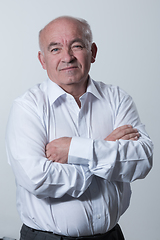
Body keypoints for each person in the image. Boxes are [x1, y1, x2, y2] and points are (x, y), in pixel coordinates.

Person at [5, 16, 153, 240]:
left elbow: (141, 160)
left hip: (110, 236)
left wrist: (74, 150)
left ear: (92, 51)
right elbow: (38, 178)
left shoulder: (117, 99)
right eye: (55, 49)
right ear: (42, 60)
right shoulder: (28, 107)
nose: (67, 57)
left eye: (77, 46)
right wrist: (105, 150)